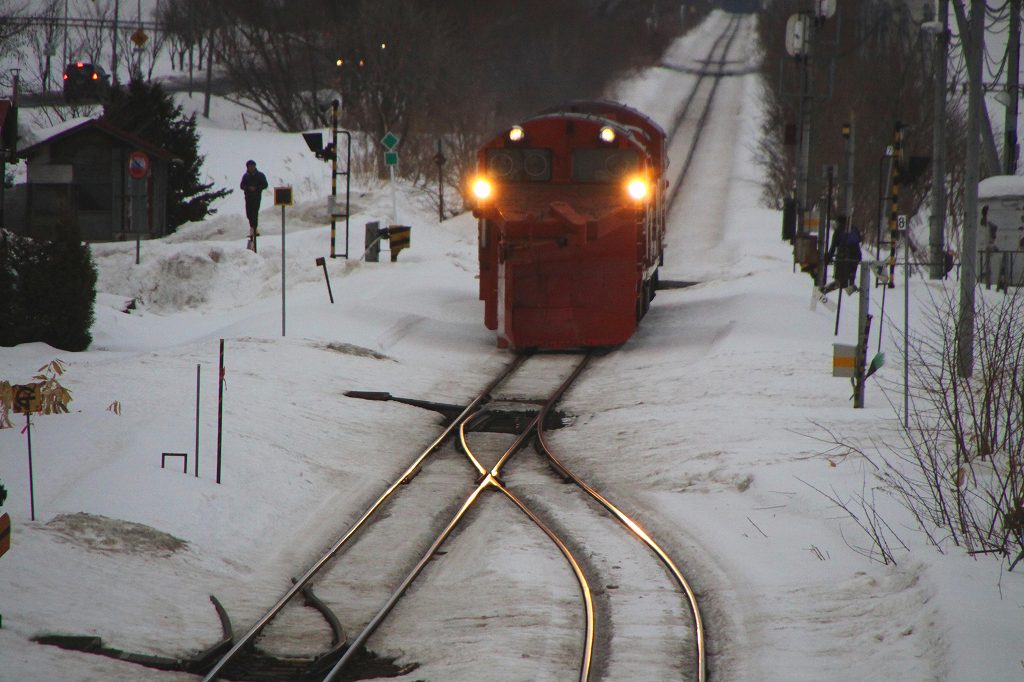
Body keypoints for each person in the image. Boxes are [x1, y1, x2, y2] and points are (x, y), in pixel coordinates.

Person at [822, 221, 862, 294]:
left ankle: (828, 291)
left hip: (843, 256)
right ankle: (851, 290)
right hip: (856, 255)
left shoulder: (839, 230)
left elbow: (833, 246)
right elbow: (859, 239)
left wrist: (828, 258)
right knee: (851, 277)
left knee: (839, 279)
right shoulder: (854, 228)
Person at [240, 160, 268, 237]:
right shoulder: (245, 176)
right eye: (249, 166)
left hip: (256, 197)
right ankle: (252, 228)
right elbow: (241, 186)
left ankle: (254, 229)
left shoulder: (260, 175)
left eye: (252, 166)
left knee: (254, 213)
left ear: (255, 166)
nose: (251, 167)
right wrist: (248, 188)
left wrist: (256, 188)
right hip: (248, 197)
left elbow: (265, 185)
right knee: (249, 213)